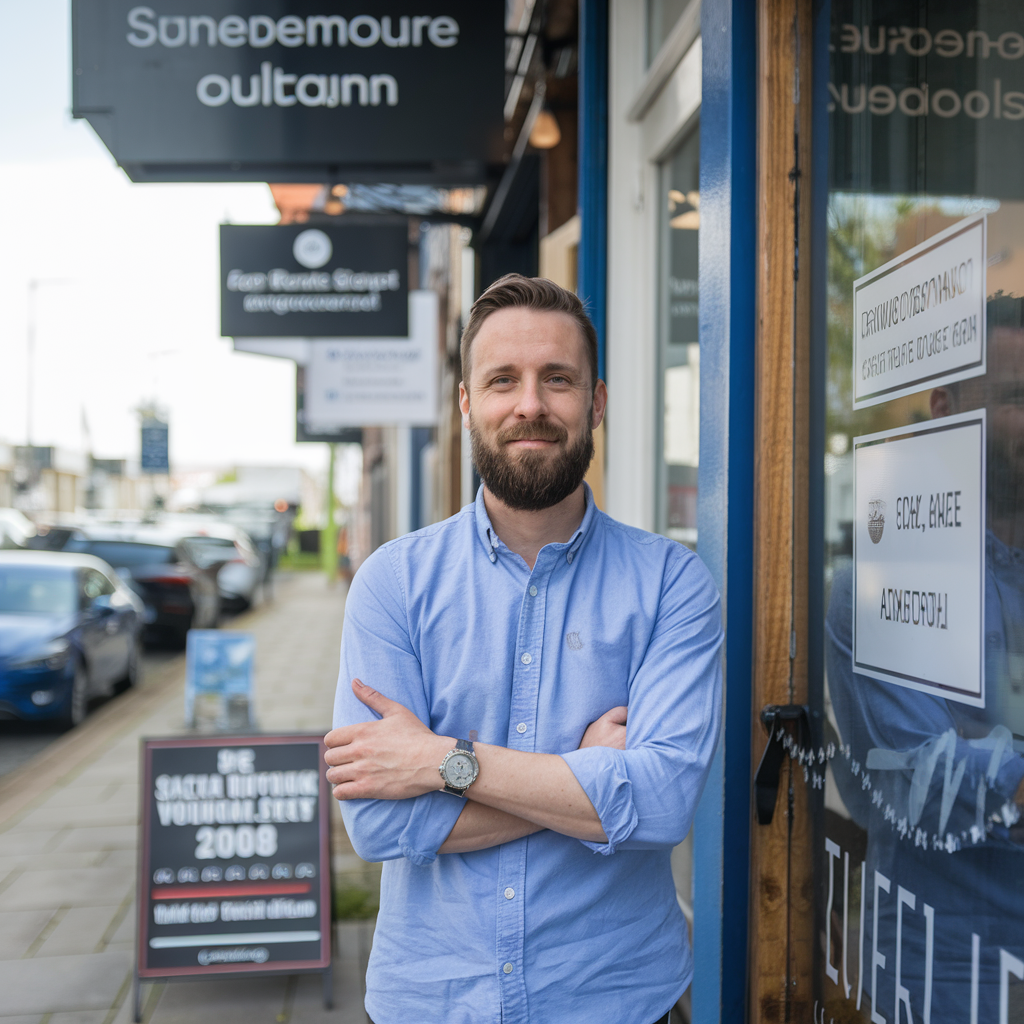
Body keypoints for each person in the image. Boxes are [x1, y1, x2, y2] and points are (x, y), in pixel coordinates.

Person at [325, 273, 723, 1024]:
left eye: (558, 379)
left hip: (620, 1001)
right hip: (435, 1002)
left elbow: (665, 802)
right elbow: (379, 826)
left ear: (596, 402)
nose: (531, 404)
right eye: (503, 380)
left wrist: (443, 763)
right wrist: (587, 775)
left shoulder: (673, 584)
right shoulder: (393, 584)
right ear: (468, 405)